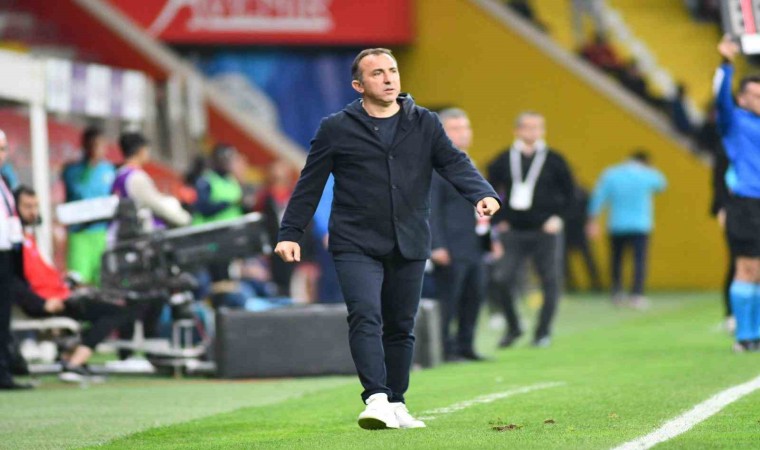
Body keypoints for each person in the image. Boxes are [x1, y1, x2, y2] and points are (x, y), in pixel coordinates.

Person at [274, 48, 500, 430]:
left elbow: (453, 161)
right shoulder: (336, 127)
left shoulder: (425, 122)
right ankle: (376, 398)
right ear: (358, 85)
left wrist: (482, 192)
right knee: (365, 314)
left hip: (409, 238)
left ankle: (397, 401)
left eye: (392, 70)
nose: (389, 78)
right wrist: (290, 233)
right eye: (377, 73)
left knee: (401, 325)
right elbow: (310, 183)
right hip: (354, 240)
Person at [12, 186, 136, 383]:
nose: (33, 212)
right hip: (48, 302)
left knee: (117, 303)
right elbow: (12, 281)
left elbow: (40, 274)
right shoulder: (12, 242)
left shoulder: (28, 238)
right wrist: (40, 303)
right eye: (27, 206)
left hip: (60, 295)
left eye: (35, 206)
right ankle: (74, 363)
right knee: (116, 312)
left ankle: (70, 356)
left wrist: (66, 282)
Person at [488, 112, 575, 349]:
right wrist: (499, 220)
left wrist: (558, 218)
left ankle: (542, 332)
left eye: (538, 127)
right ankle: (514, 326)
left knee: (550, 280)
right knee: (502, 278)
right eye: (528, 127)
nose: (533, 132)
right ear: (517, 130)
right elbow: (488, 190)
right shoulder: (503, 159)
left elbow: (571, 193)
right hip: (513, 230)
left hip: (545, 231)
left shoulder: (554, 159)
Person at [430, 108, 492, 362]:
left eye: (465, 127)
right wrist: (436, 245)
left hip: (475, 245)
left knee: (474, 297)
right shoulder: (436, 168)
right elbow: (431, 209)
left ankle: (466, 345)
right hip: (451, 246)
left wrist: (491, 240)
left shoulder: (470, 164)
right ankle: (446, 349)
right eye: (455, 129)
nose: (463, 133)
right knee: (449, 300)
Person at [714, 35, 760, 352]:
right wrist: (726, 63)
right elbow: (720, 98)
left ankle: (755, 332)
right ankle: (744, 335)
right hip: (745, 204)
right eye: (754, 96)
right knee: (746, 267)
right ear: (742, 99)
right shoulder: (734, 122)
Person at [587, 150, 667, 308]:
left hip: (617, 224)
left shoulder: (611, 174)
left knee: (616, 260)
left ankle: (616, 292)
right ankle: (637, 294)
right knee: (639, 261)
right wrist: (649, 169)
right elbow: (662, 184)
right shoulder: (646, 174)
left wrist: (592, 221)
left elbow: (598, 198)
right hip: (640, 225)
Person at [61, 126, 116, 285]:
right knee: (78, 280)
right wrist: (89, 166)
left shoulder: (110, 170)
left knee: (103, 280)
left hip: (103, 233)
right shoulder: (72, 171)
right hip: (79, 233)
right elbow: (78, 192)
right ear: (85, 146)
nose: (97, 149)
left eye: (101, 144)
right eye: (93, 145)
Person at [0, 129, 32, 390]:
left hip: (7, 253)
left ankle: (4, 371)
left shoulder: (4, 181)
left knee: (3, 317)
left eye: (3, 149)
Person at [564, 183, 602, 292]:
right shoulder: (562, 193)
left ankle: (596, 284)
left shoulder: (582, 193)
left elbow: (591, 210)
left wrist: (591, 224)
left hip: (580, 229)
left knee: (588, 258)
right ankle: (570, 285)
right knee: (564, 260)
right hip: (567, 230)